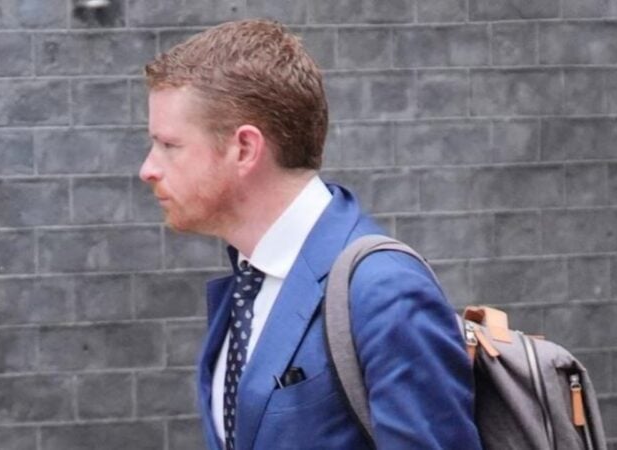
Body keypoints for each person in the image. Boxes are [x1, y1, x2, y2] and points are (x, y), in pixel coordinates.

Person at [139, 19, 481, 450]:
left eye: (170, 145)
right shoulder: (249, 280)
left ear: (245, 148)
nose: (148, 168)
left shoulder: (385, 292)